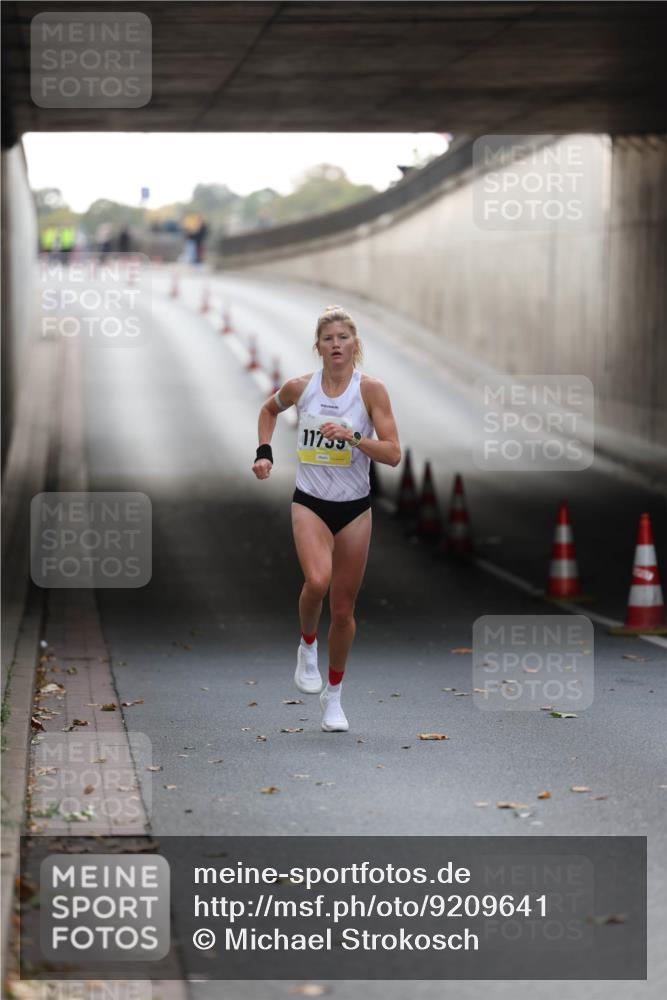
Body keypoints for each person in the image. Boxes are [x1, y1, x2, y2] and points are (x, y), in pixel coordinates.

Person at [252, 305, 401, 732]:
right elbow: (268, 410)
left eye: (343, 338)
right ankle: (306, 645)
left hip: (355, 507)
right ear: (317, 347)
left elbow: (393, 453)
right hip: (311, 500)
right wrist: (264, 452)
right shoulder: (301, 387)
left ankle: (333, 698)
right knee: (317, 581)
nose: (336, 345)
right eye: (328, 339)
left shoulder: (371, 391)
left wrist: (355, 438)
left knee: (343, 609)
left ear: (356, 344)